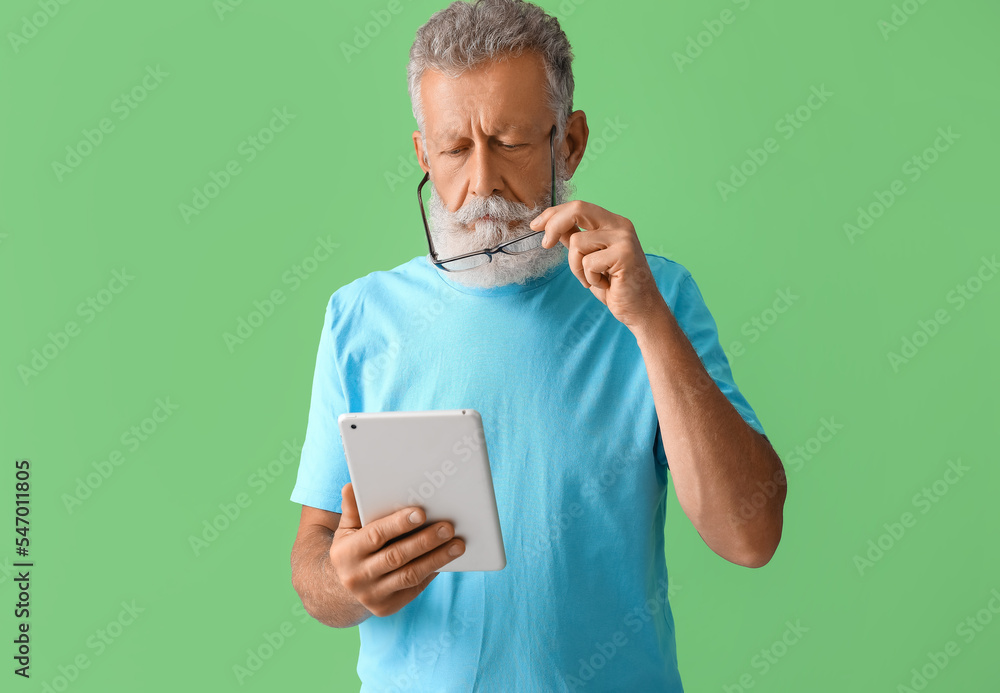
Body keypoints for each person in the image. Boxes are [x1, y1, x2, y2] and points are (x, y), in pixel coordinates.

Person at [289, 1, 787, 690]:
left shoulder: (655, 297)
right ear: (422, 154)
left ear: (570, 143)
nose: (483, 181)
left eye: (513, 141)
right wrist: (347, 581)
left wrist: (648, 323)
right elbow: (314, 559)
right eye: (455, 149)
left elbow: (750, 534)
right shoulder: (360, 317)